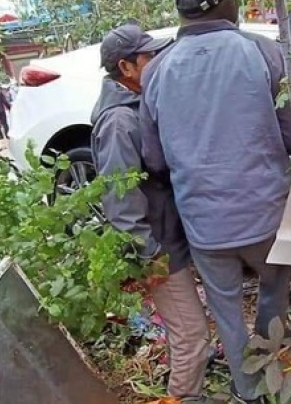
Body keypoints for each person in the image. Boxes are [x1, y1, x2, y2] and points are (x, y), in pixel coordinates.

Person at [139, 0, 291, 404]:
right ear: (229, 2)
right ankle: (271, 370)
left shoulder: (156, 71)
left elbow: (154, 159)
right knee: (273, 292)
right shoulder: (264, 52)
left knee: (226, 311)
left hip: (204, 224)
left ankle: (246, 392)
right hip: (265, 217)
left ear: (182, 10)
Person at [91, 23, 209, 401]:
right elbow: (120, 200)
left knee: (186, 332)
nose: (157, 61)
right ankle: (180, 398)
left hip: (167, 239)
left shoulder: (136, 104)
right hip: (157, 248)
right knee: (192, 335)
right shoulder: (118, 122)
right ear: (126, 67)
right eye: (149, 57)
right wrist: (149, 254)